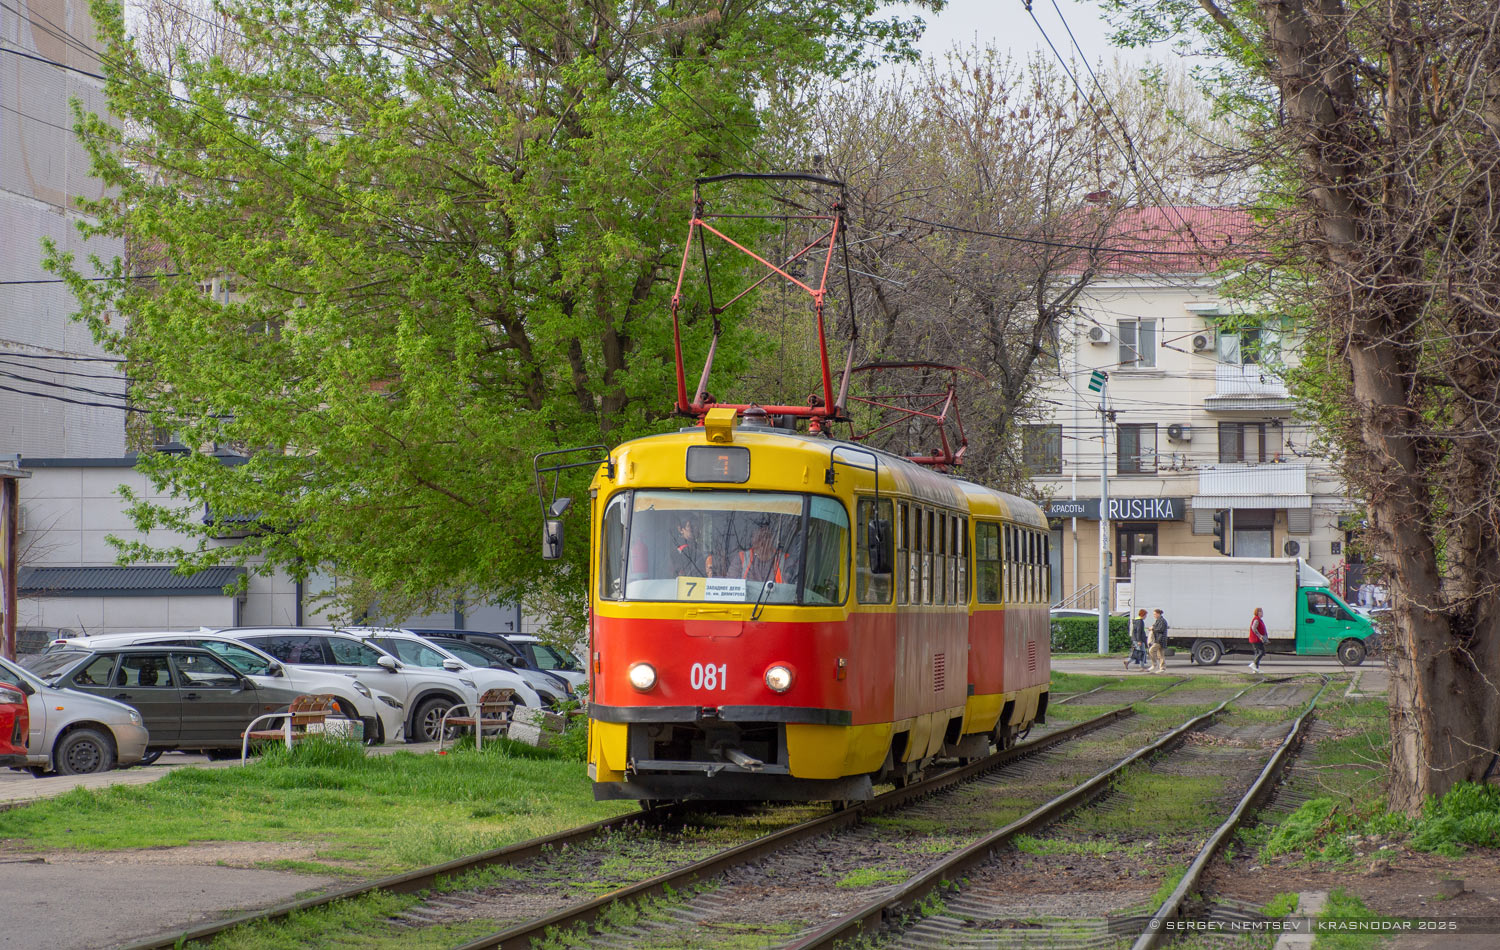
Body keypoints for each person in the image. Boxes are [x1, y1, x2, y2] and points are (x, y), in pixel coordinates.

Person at [1148, 608, 1169, 673]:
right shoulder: (1158, 620)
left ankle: (1154, 664)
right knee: (1160, 654)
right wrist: (1152, 627)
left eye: (1155, 614)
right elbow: (1155, 627)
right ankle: (1162, 668)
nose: (1154, 615)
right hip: (1158, 639)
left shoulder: (1162, 621)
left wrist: (1152, 629)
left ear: (1158, 614)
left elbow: (1160, 629)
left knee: (1151, 650)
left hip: (1160, 640)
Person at [1248, 606, 1268, 673]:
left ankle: (1255, 669)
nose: (1262, 613)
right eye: (1261, 612)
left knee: (1257, 653)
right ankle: (1254, 664)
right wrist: (1260, 636)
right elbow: (1253, 628)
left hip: (1257, 639)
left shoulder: (1259, 619)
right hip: (1256, 639)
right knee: (1261, 652)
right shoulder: (1256, 619)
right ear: (1258, 612)